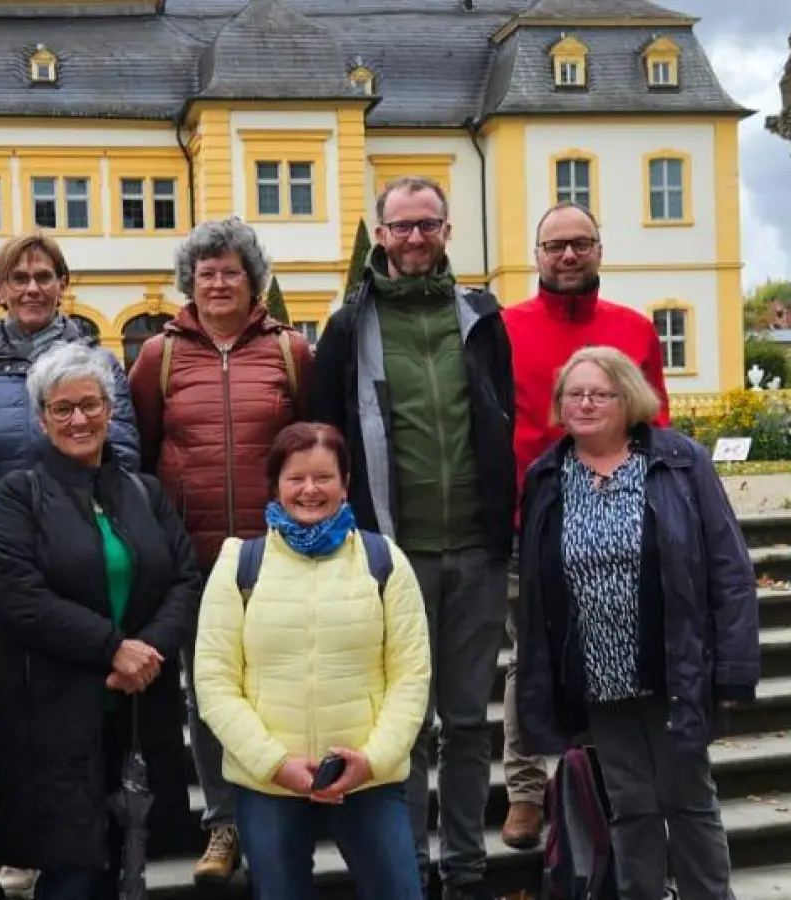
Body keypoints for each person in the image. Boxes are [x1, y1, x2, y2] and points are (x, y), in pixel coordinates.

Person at [310, 176, 514, 899]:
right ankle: (412, 866)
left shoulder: (481, 318)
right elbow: (324, 434)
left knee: (465, 722)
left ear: (446, 231)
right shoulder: (349, 325)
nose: (416, 238)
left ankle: (464, 866)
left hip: (478, 551)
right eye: (402, 227)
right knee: (406, 724)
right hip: (392, 555)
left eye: (428, 225)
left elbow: (500, 417)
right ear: (381, 235)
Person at [0, 233, 140, 895]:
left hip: (84, 570)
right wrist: (21, 534)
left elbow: (124, 456)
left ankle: (84, 846)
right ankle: (19, 839)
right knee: (10, 716)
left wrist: (64, 533)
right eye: (17, 277)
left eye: (43, 275)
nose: (31, 287)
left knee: (80, 713)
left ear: (61, 284)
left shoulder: (98, 362)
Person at [515, 346, 757, 900]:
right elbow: (535, 588)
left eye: (601, 393)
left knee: (688, 800)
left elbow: (729, 566)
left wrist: (734, 667)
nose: (586, 403)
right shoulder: (547, 476)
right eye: (574, 394)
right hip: (599, 677)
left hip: (674, 666)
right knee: (629, 806)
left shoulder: (679, 462)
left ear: (630, 399)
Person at [127, 217, 311, 886]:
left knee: (283, 682)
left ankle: (285, 809)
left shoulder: (291, 350)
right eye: (206, 273)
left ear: (253, 279)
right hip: (195, 558)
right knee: (211, 694)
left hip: (280, 556)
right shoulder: (159, 356)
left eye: (231, 270)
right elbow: (144, 455)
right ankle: (225, 823)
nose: (218, 282)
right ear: (190, 283)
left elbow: (315, 448)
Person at [0, 343, 197, 900]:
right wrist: (112, 648)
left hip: (136, 712)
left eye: (90, 404)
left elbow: (183, 580)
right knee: (71, 876)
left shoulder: (144, 492)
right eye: (63, 408)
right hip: (53, 718)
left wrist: (146, 651)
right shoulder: (18, 496)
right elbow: (20, 597)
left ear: (109, 409)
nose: (79, 419)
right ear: (42, 418)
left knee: (129, 867)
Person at [497, 202, 672, 850]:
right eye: (555, 245)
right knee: (530, 656)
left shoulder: (633, 329)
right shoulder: (505, 329)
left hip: (621, 522)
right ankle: (524, 789)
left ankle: (605, 773)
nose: (568, 256)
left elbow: (657, 423)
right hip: (532, 522)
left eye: (580, 243)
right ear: (537, 254)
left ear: (600, 249)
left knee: (615, 648)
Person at [195, 421, 430, 900]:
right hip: (270, 783)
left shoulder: (384, 560)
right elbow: (215, 683)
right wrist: (275, 764)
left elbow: (411, 674)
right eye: (295, 478)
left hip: (367, 778)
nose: (309, 490)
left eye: (323, 477)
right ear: (276, 484)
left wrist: (373, 759)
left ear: (345, 483)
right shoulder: (238, 565)